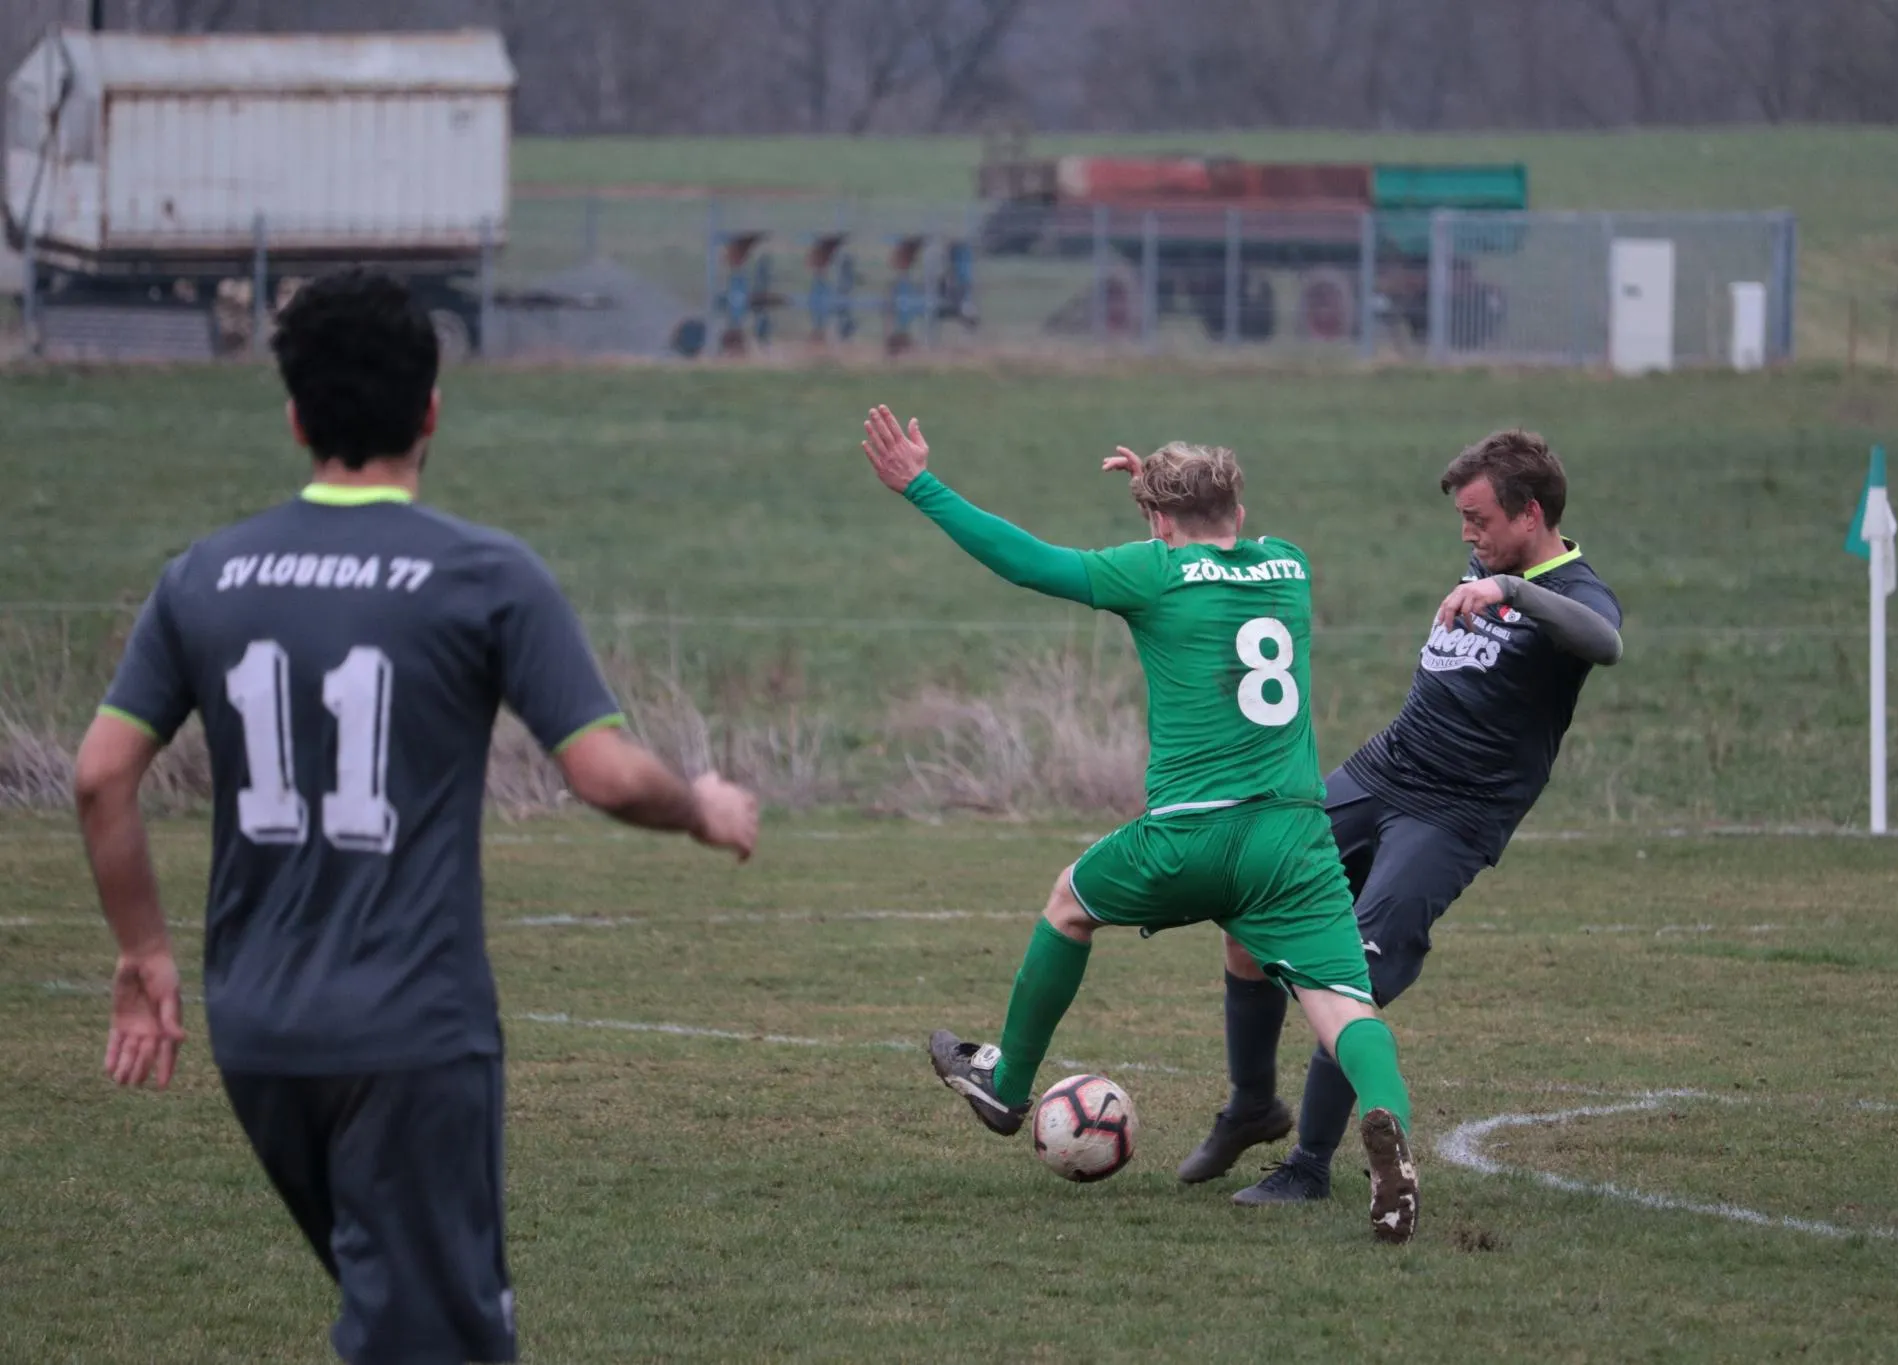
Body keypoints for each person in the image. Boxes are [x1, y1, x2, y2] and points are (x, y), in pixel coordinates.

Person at [73, 268, 760, 1364]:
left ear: (296, 418)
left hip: (257, 1031)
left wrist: (143, 951)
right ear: (431, 409)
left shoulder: (202, 576)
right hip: (408, 1034)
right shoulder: (484, 574)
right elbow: (604, 775)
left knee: (394, 1320)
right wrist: (702, 807)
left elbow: (101, 776)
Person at [858, 405, 1421, 1243]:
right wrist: (1162, 496)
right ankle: (1389, 1138)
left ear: (1157, 524)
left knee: (1069, 904)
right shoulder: (1289, 564)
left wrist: (920, 486)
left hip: (1189, 837)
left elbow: (1027, 562)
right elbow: (1212, 549)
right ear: (1237, 510)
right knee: (1342, 1007)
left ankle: (1006, 1085)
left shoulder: (1149, 572)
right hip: (1293, 840)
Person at [1176, 428, 1624, 1206]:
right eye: (1463, 520)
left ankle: (1308, 1168)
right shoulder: (1488, 561)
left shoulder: (1569, 589)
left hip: (1452, 813)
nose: (1467, 534)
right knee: (1246, 895)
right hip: (1381, 770)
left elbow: (1606, 643)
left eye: (1479, 519)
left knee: (1353, 975)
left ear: (1529, 513)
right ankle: (1250, 1105)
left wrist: (1512, 591)